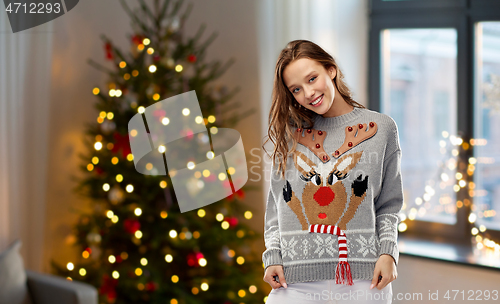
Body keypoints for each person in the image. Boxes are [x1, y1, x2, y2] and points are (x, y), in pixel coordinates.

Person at [261, 40, 403, 304]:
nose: (308, 93)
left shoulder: (382, 129)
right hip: (294, 282)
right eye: (296, 89)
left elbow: (389, 204)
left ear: (331, 70)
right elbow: (275, 208)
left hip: (364, 279)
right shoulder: (290, 135)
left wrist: (388, 252)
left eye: (312, 78)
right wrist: (272, 256)